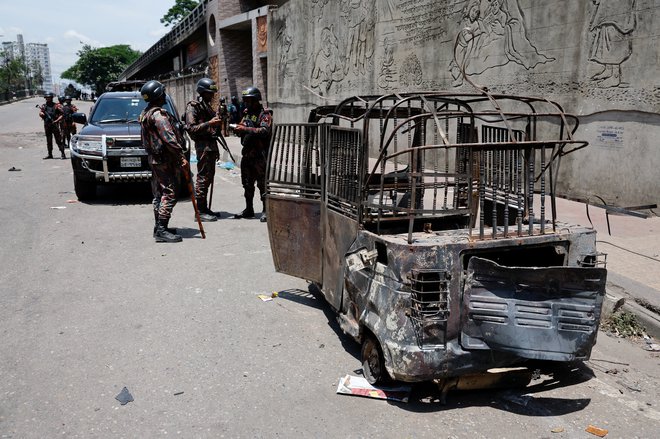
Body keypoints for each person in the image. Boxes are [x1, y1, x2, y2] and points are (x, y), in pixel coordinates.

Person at [139, 80, 188, 243]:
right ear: (158, 95)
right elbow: (169, 139)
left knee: (159, 194)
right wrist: (181, 157)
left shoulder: (146, 113)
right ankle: (161, 229)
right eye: (163, 92)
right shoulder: (158, 115)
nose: (165, 95)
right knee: (170, 192)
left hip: (155, 159)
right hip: (165, 160)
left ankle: (159, 226)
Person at [184, 78, 223, 222]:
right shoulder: (193, 106)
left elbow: (214, 130)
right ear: (202, 92)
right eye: (209, 93)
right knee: (202, 178)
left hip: (211, 146)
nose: (212, 96)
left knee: (208, 178)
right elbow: (191, 128)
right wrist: (209, 123)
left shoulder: (206, 106)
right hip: (203, 147)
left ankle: (204, 208)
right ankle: (199, 211)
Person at [232, 86, 272, 222]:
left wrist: (246, 129)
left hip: (260, 155)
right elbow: (242, 125)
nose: (247, 103)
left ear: (256, 100)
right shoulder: (247, 113)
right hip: (247, 154)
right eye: (245, 101)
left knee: (262, 185)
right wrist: (238, 129)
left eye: (249, 101)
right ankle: (249, 209)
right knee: (247, 184)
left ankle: (265, 210)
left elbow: (264, 131)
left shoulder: (264, 114)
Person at [38, 92, 66, 159]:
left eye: (49, 98)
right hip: (47, 125)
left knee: (58, 140)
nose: (48, 99)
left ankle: (63, 153)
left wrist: (57, 120)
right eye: (47, 98)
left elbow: (63, 114)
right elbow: (41, 112)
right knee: (49, 140)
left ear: (51, 98)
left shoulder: (56, 106)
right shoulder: (44, 106)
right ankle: (50, 154)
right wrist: (41, 114)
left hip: (54, 125)